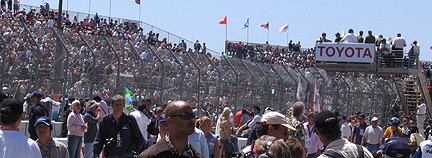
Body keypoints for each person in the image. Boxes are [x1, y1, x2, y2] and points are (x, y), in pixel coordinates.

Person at [137, 100, 204, 158]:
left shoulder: (196, 156)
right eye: (185, 116)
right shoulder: (150, 155)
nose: (192, 120)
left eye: (193, 116)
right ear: (170, 121)